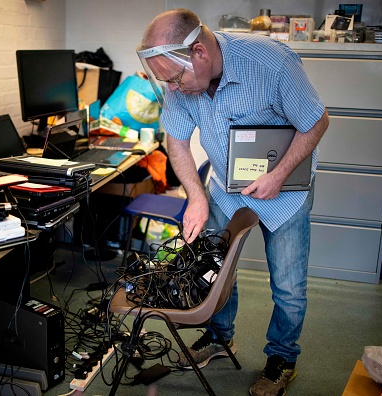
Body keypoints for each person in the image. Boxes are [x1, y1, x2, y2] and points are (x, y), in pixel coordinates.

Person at [136, 8, 329, 396]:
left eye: (174, 79)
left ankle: (282, 359)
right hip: (226, 185)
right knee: (214, 268)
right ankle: (219, 337)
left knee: (288, 285)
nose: (171, 89)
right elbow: (176, 140)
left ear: (200, 55)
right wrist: (195, 196)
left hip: (286, 190)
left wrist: (278, 175)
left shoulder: (272, 64)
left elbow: (316, 121)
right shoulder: (181, 81)